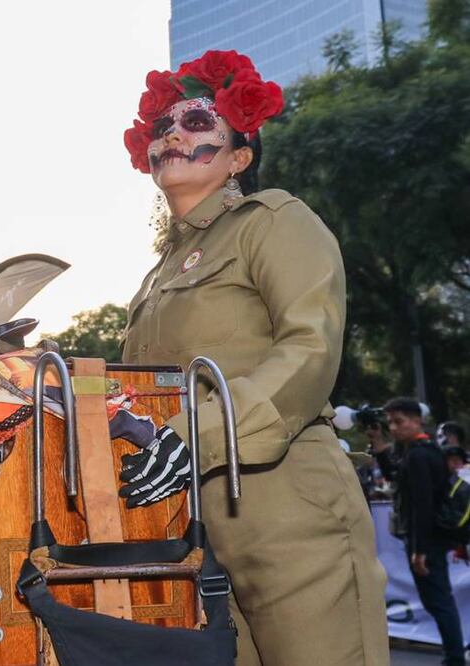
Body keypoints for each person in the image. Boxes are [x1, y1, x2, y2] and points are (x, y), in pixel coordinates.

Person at [117, 51, 388, 664]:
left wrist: (198, 434)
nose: (174, 134)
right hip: (186, 523)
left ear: (239, 157)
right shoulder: (155, 275)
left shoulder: (275, 222)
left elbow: (310, 347)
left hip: (283, 498)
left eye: (195, 122)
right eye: (164, 127)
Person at [382, 398, 464, 665]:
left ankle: (454, 658)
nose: (393, 428)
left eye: (399, 421)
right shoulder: (421, 451)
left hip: (427, 543)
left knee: (439, 602)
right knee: (438, 601)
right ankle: (454, 656)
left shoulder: (419, 455)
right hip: (430, 540)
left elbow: (422, 506)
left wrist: (419, 550)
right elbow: (396, 479)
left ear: (417, 420)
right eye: (390, 422)